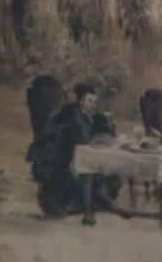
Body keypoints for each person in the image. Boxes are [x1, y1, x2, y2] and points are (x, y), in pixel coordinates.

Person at [34, 82, 115, 223]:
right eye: (90, 101)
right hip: (53, 161)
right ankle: (88, 209)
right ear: (81, 101)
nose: (93, 105)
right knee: (89, 176)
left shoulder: (82, 113)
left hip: (66, 158)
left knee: (100, 176)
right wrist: (102, 128)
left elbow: (92, 135)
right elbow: (84, 139)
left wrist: (106, 125)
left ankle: (100, 205)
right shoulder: (73, 114)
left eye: (95, 102)